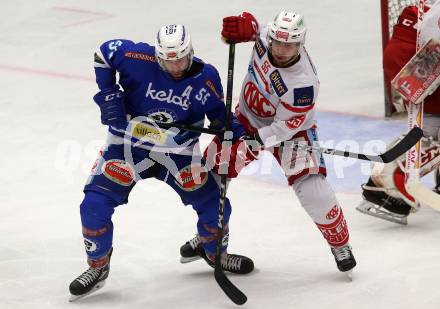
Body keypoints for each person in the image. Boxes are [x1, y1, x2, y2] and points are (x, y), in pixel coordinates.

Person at [68, 24, 254, 301]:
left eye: (180, 58)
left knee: (216, 207)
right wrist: (107, 94)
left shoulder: (206, 77)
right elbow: (103, 54)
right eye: (168, 60)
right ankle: (98, 266)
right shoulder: (136, 57)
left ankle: (212, 251)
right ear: (157, 56)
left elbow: (219, 115)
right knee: (93, 207)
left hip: (178, 154)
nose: (176, 65)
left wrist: (232, 130)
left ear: (191, 51)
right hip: (127, 148)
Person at [180, 11, 357, 276]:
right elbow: (253, 26)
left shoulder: (303, 83)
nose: (282, 50)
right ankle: (210, 236)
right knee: (211, 176)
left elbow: (286, 127)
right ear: (271, 37)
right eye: (278, 42)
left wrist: (258, 141)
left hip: (292, 134)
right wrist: (239, 28)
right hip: (246, 120)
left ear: (301, 44)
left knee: (313, 191)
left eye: (290, 45)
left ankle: (340, 244)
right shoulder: (266, 37)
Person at [357, 1, 440, 225]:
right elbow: (396, 55)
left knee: (428, 135)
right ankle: (392, 176)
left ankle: (385, 182)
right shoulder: (422, 13)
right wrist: (415, 80)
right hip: (431, 98)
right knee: (431, 138)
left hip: (431, 98)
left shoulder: (422, 11)